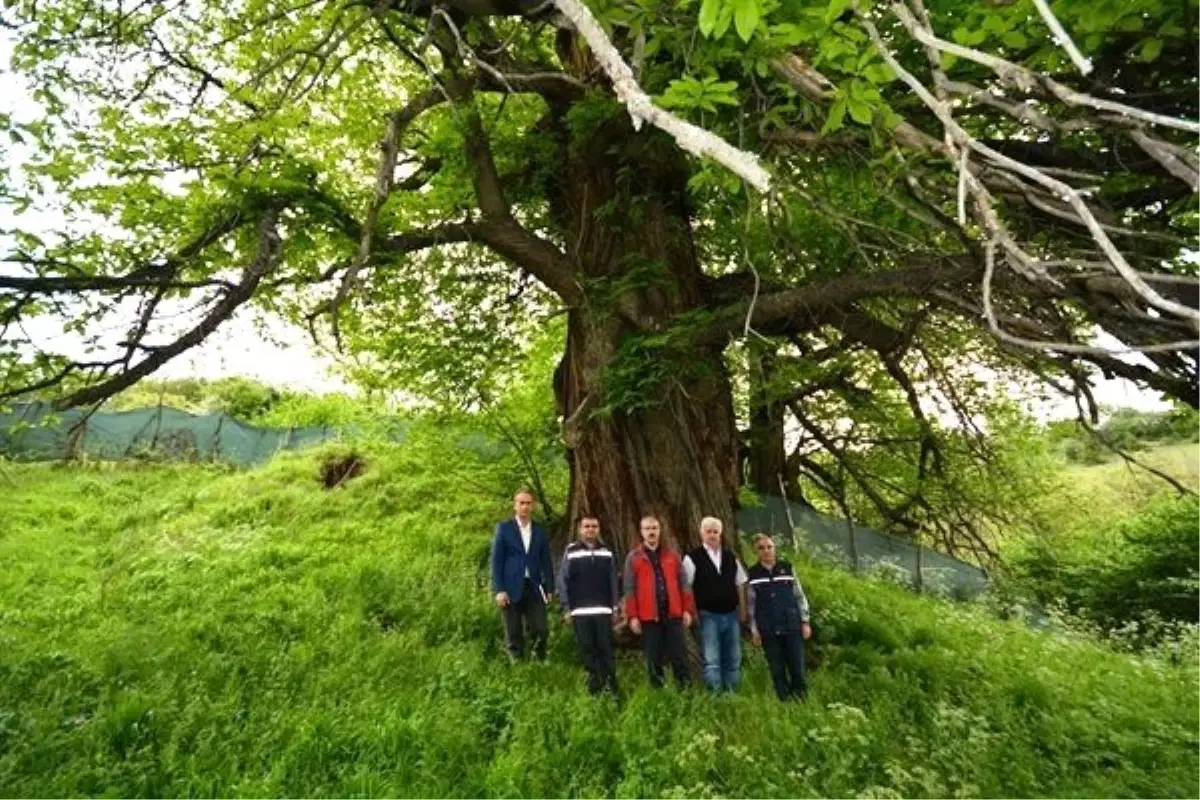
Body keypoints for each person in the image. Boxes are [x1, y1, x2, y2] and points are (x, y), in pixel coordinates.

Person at [623, 515, 694, 689]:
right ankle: (658, 695)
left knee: (680, 656)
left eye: (654, 528)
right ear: (641, 532)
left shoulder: (671, 555)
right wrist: (633, 616)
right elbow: (629, 588)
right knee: (653, 659)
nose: (651, 532)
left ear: (660, 530)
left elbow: (684, 584)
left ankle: (686, 694)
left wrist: (687, 610)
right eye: (647, 529)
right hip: (648, 617)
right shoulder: (634, 557)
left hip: (673, 614)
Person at [682, 516, 748, 692]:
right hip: (707, 614)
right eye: (708, 531)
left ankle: (732, 693)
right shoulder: (692, 558)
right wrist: (692, 611)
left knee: (733, 657)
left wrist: (742, 610)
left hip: (731, 614)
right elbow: (685, 586)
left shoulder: (730, 556)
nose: (712, 535)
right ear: (701, 533)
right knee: (712, 659)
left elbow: (740, 583)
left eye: (715, 532)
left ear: (721, 533)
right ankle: (715, 695)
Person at [556, 515, 620, 695]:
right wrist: (567, 607)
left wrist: (615, 607)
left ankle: (612, 688)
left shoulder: (606, 551)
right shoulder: (572, 550)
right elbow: (563, 580)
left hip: (603, 610)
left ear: (598, 529)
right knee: (587, 650)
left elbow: (613, 580)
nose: (590, 530)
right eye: (587, 526)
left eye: (594, 526)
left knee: (605, 649)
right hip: (580, 611)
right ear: (580, 529)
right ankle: (595, 689)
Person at [490, 488, 554, 662]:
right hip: (510, 586)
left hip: (534, 585)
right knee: (513, 630)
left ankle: (539, 660)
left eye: (528, 503)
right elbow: (496, 561)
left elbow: (546, 560)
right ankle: (518, 666)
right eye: (521, 503)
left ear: (533, 506)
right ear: (515, 505)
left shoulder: (540, 530)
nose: (525, 507)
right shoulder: (504, 529)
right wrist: (499, 589)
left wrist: (549, 587)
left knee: (540, 628)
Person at [746, 534, 812, 701]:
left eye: (769, 547)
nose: (766, 551)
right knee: (777, 669)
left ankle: (801, 700)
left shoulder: (787, 569)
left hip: (791, 625)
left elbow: (799, 596)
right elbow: (751, 605)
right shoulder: (753, 574)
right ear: (756, 551)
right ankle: (784, 701)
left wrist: (805, 621)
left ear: (775, 548)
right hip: (768, 628)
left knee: (797, 666)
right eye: (761, 548)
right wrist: (754, 630)